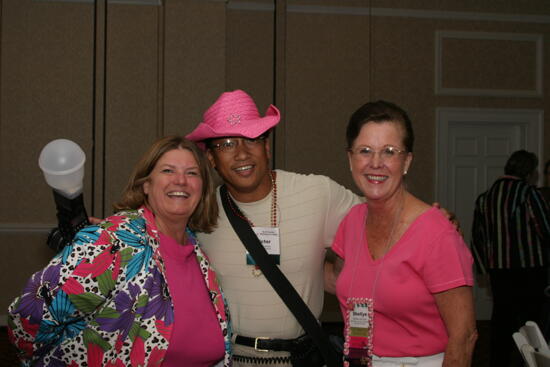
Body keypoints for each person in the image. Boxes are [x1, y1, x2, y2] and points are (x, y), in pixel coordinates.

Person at [8, 136, 232, 366]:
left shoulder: (198, 254)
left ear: (203, 187)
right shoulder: (114, 240)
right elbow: (28, 318)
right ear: (146, 184)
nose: (181, 181)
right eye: (168, 170)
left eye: (192, 173)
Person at [186, 89, 362, 366]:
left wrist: (429, 218)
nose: (242, 154)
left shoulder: (317, 193)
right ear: (211, 159)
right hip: (231, 360)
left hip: (304, 358)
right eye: (228, 144)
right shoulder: (198, 213)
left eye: (252, 140)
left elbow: (381, 220)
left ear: (266, 147)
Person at [324, 100, 477, 367]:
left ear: (406, 161)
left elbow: (463, 337)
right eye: (365, 151)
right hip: (359, 359)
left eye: (389, 152)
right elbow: (338, 279)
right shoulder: (352, 221)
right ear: (350, 159)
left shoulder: (436, 233)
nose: (375, 163)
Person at [472, 150, 550, 367]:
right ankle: (532, 362)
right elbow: (544, 229)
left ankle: (499, 362)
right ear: (529, 172)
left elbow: (477, 237)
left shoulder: (485, 198)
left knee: (502, 319)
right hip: (531, 269)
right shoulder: (528, 194)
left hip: (499, 270)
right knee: (532, 321)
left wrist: (483, 268)